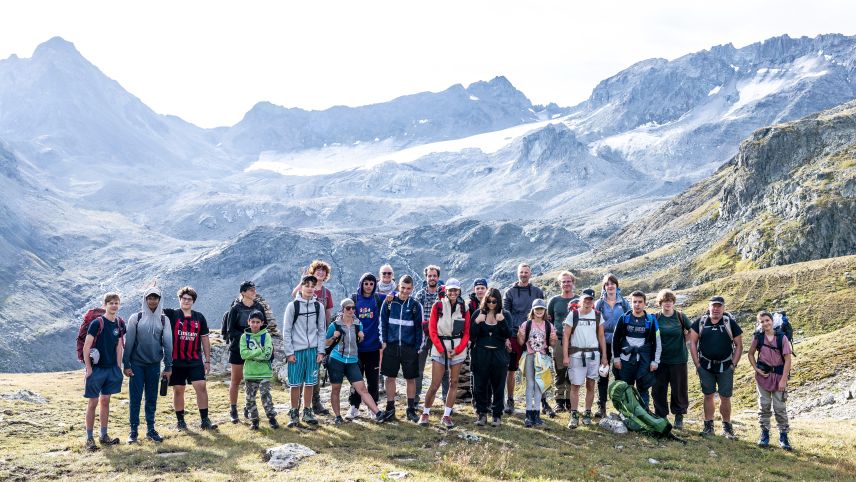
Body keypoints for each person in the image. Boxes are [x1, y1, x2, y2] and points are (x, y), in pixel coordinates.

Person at [122, 286, 173, 443]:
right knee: (135, 398)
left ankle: (151, 429)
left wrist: (168, 366)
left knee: (151, 398)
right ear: (145, 299)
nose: (152, 301)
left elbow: (168, 344)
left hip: (154, 365)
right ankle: (133, 431)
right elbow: (129, 342)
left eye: (155, 298)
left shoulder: (164, 319)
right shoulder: (135, 318)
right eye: (149, 298)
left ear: (159, 300)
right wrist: (126, 364)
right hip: (136, 365)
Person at [162, 286, 216, 431]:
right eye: (184, 298)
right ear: (179, 300)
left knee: (201, 386)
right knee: (178, 389)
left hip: (194, 359)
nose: (186, 301)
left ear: (193, 301)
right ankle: (181, 422)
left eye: (189, 299)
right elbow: (154, 306)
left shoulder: (199, 317)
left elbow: (205, 340)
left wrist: (207, 360)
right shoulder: (171, 314)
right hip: (176, 360)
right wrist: (152, 289)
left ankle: (205, 420)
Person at [689, 295, 743, 439]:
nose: (716, 309)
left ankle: (727, 427)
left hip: (726, 366)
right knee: (708, 395)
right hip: (705, 366)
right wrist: (697, 364)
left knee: (725, 397)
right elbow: (692, 343)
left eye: (719, 306)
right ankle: (708, 427)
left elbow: (739, 345)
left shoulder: (729, 322)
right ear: (709, 307)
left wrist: (733, 365)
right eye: (713, 306)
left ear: (723, 308)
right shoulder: (700, 322)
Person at [420, 278, 471, 429]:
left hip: (457, 349)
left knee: (453, 382)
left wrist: (458, 349)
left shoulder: (464, 308)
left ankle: (447, 415)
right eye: (451, 290)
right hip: (439, 348)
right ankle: (425, 413)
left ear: (459, 291)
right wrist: (442, 350)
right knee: (435, 383)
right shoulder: (438, 306)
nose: (453, 293)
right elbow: (432, 330)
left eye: (456, 290)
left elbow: (467, 332)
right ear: (446, 291)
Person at [326, 298, 386, 424]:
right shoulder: (335, 325)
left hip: (352, 360)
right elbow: (325, 343)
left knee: (362, 388)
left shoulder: (358, 324)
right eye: (348, 308)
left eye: (353, 308)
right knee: (336, 388)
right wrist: (333, 336)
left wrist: (361, 338)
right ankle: (337, 416)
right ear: (342, 310)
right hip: (336, 359)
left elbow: (357, 342)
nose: (351, 310)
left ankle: (378, 413)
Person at [81, 292, 126, 451]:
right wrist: (89, 369)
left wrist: (118, 368)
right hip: (97, 370)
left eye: (116, 303)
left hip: (111, 369)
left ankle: (104, 435)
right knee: (93, 402)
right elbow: (87, 347)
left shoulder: (119, 324)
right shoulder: (97, 323)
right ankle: (89, 438)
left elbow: (119, 346)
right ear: (105, 305)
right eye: (111, 303)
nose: (114, 305)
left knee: (105, 401)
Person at [292, 260, 335, 416]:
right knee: (300, 368)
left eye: (324, 271)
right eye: (318, 270)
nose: (321, 272)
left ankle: (314, 403)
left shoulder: (327, 293)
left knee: (314, 369)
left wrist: (326, 336)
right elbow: (294, 296)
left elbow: (328, 314)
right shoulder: (305, 287)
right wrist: (303, 280)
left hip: (318, 334)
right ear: (312, 272)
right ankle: (296, 405)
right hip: (302, 334)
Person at [282, 275, 326, 427]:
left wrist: (321, 351)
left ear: (315, 288)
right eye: (306, 285)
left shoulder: (318, 306)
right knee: (295, 384)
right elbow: (286, 331)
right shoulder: (292, 306)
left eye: (312, 285)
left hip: (313, 351)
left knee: (310, 383)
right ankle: (294, 412)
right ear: (301, 287)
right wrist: (289, 352)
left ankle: (307, 411)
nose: (309, 288)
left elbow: (322, 330)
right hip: (297, 351)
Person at [379, 275, 424, 423]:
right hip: (391, 346)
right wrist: (383, 341)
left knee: (410, 379)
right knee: (389, 378)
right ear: (398, 286)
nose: (405, 291)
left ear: (412, 289)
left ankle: (410, 410)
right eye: (403, 288)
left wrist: (418, 347)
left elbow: (419, 329)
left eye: (408, 288)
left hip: (409, 347)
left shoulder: (416, 305)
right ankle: (390, 409)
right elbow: (383, 322)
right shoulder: (389, 302)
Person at [503, 263, 545, 415]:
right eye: (521, 272)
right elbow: (505, 315)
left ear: (530, 274)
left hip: (534, 336)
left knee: (537, 368)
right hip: (514, 334)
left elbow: (543, 314)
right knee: (511, 369)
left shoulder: (537, 292)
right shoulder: (510, 292)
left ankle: (542, 401)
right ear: (517, 273)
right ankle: (510, 400)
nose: (524, 274)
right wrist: (507, 336)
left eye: (526, 272)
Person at [562, 289, 607, 429]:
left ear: (593, 301)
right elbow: (566, 336)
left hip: (593, 355)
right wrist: (565, 356)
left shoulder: (598, 315)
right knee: (575, 385)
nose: (588, 302)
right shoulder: (573, 314)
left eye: (590, 300)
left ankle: (587, 413)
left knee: (591, 385)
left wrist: (604, 356)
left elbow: (601, 336)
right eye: (586, 299)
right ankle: (574, 414)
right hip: (576, 355)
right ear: (581, 299)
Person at [747, 311, 793, 450]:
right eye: (762, 321)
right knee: (764, 406)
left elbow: (788, 359)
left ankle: (783, 436)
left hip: (779, 376)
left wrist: (783, 380)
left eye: (767, 320)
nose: (765, 323)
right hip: (763, 377)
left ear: (772, 321)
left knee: (780, 407)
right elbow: (750, 354)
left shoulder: (782, 338)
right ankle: (764, 434)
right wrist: (756, 368)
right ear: (759, 324)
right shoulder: (758, 337)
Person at [223, 281, 268, 423]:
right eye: (250, 290)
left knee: (252, 380)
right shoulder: (236, 308)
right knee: (235, 380)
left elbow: (264, 325)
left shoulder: (259, 306)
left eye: (254, 289)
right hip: (238, 349)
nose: (254, 291)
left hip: (255, 350)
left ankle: (248, 407)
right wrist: (246, 338)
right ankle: (233, 409)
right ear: (243, 292)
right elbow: (230, 330)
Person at [612, 290, 661, 410]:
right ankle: (626, 414)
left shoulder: (651, 320)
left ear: (645, 303)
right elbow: (615, 339)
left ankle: (643, 414)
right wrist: (616, 358)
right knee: (625, 389)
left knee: (643, 390)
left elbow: (657, 342)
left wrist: (655, 361)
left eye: (640, 302)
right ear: (631, 303)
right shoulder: (624, 318)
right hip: (625, 360)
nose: (637, 305)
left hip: (644, 361)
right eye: (634, 302)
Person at [470, 288, 512, 427]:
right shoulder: (478, 313)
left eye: (494, 301)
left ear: (498, 301)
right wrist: (477, 322)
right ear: (485, 300)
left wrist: (501, 321)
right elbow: (471, 335)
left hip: (499, 354)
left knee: (498, 386)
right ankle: (481, 414)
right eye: (489, 301)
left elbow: (508, 334)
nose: (491, 304)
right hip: (481, 354)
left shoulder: (505, 314)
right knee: (480, 385)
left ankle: (497, 415)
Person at [345, 273, 384, 420]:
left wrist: (392, 295)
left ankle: (373, 408)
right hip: (356, 347)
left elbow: (396, 295)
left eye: (371, 284)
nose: (368, 286)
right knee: (356, 378)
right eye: (365, 283)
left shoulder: (378, 298)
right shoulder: (354, 299)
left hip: (373, 346)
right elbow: (343, 314)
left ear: (375, 285)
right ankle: (354, 407)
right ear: (361, 284)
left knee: (373, 379)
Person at [651, 289, 692, 429]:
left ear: (673, 302)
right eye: (664, 301)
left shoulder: (680, 316)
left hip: (678, 360)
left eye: (670, 301)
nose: (667, 303)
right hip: (659, 360)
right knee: (658, 389)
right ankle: (661, 416)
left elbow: (691, 331)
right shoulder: (655, 318)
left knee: (679, 389)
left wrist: (683, 341)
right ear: (660, 303)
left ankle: (679, 417)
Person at [594, 274, 631, 418]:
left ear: (617, 285)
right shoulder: (599, 304)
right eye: (607, 284)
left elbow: (629, 320)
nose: (610, 286)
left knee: (620, 375)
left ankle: (621, 407)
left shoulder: (624, 303)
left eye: (612, 283)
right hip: (603, 342)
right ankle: (601, 407)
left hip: (620, 344)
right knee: (602, 374)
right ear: (604, 287)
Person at [518, 298, 556, 428]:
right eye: (537, 309)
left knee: (539, 385)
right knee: (530, 383)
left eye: (541, 309)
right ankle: (529, 414)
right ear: (533, 310)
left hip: (543, 357)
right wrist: (520, 335)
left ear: (544, 310)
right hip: (529, 355)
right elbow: (521, 342)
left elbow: (552, 343)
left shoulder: (548, 325)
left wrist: (553, 339)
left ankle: (537, 414)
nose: (539, 311)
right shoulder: (527, 324)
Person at [414, 265, 448, 404]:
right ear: (426, 277)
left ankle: (445, 396)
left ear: (438, 277)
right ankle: (415, 397)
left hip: (439, 335)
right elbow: (415, 315)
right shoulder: (420, 294)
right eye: (430, 276)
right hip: (423, 336)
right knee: (419, 368)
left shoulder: (443, 295)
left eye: (434, 276)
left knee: (444, 368)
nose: (432, 278)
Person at [240, 310, 279, 429]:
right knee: (250, 398)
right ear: (248, 322)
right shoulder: (244, 337)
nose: (255, 324)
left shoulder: (266, 335)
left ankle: (272, 418)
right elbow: (243, 354)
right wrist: (258, 351)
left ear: (262, 323)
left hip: (264, 373)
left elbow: (267, 354)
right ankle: (254, 420)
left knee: (265, 395)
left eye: (257, 322)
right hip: (250, 373)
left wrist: (251, 354)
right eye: (253, 322)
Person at [548, 271, 579, 413]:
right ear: (560, 284)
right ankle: (559, 401)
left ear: (573, 282)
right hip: (559, 340)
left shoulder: (579, 300)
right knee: (560, 370)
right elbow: (549, 321)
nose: (566, 284)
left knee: (573, 371)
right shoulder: (554, 301)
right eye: (563, 282)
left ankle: (569, 401)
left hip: (576, 341)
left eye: (569, 281)